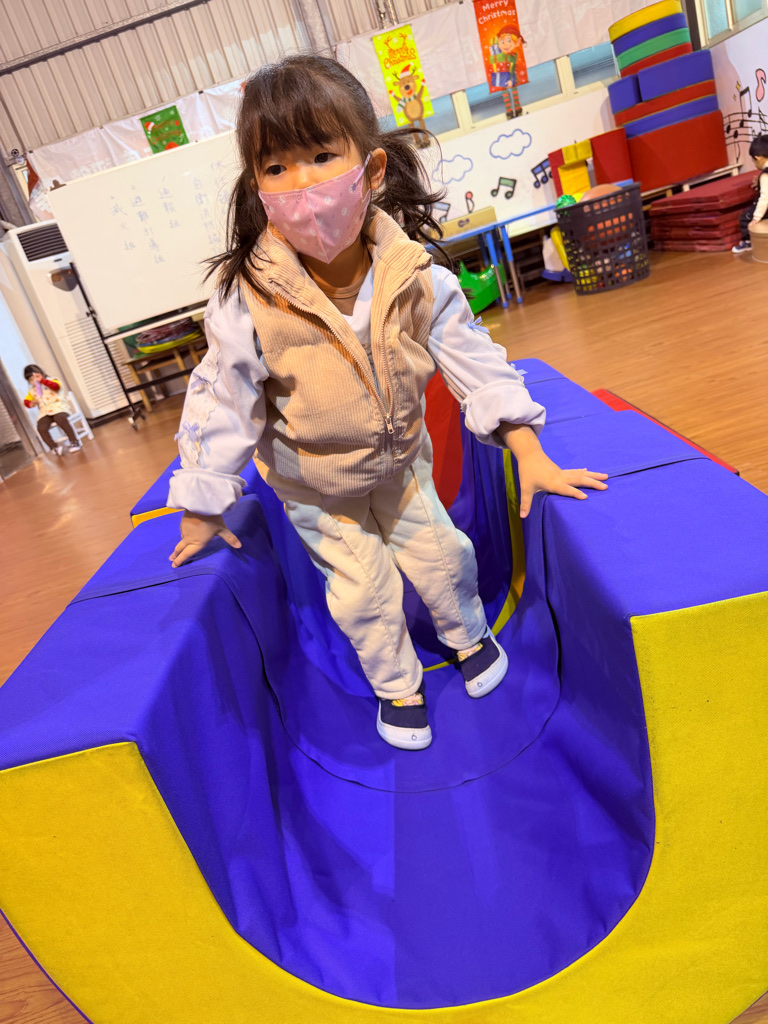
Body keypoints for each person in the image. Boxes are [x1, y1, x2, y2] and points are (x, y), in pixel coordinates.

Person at [167, 55, 608, 751]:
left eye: (321, 156)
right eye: (277, 167)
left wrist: (529, 450)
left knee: (444, 555)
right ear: (257, 187)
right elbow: (222, 399)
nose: (302, 183)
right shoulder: (247, 298)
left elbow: (473, 359)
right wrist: (202, 503)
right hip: (316, 486)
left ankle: (469, 636)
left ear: (370, 171)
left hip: (401, 466)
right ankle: (397, 684)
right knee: (363, 592)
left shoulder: (413, 275)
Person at [23, 365, 82, 455]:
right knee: (41, 427)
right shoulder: (33, 390)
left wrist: (42, 380)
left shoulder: (52, 380)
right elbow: (26, 401)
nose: (34, 381)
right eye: (31, 380)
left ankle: (74, 441)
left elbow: (56, 387)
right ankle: (54, 447)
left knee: (60, 419)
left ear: (41, 373)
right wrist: (31, 403)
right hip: (45, 412)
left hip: (59, 408)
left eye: (35, 377)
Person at [732, 134, 768, 254]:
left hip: (766, 208)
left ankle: (747, 242)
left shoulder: (765, 175)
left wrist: (756, 217)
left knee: (744, 218)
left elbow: (765, 198)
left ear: (758, 158)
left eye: (753, 161)